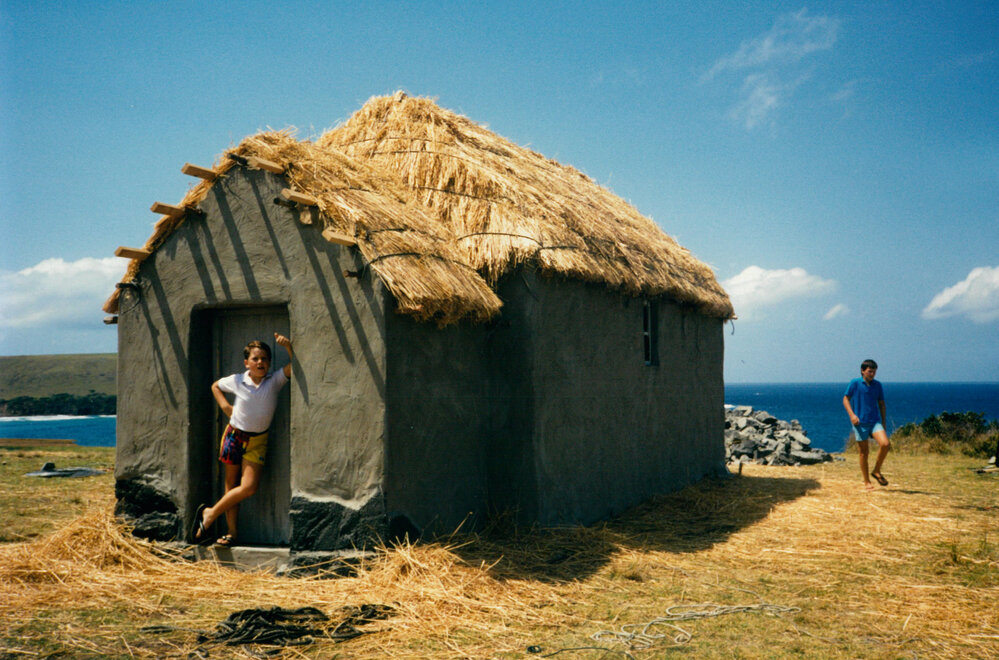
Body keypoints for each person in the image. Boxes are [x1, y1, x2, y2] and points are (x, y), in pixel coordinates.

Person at [193, 333, 293, 545]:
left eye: (265, 359)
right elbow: (215, 386)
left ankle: (210, 514)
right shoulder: (238, 380)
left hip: (257, 442)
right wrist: (225, 406)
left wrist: (288, 347)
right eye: (255, 359)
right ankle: (232, 533)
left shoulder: (273, 382)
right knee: (231, 486)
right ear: (246, 362)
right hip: (234, 436)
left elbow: (295, 366)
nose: (260, 362)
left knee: (248, 487)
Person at [842, 359, 890, 490]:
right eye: (870, 371)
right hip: (860, 424)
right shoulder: (855, 383)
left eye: (874, 371)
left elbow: (881, 404)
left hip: (875, 422)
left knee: (885, 444)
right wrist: (852, 415)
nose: (872, 374)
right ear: (863, 371)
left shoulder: (878, 385)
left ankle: (876, 471)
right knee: (864, 453)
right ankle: (866, 481)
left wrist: (884, 423)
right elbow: (845, 399)